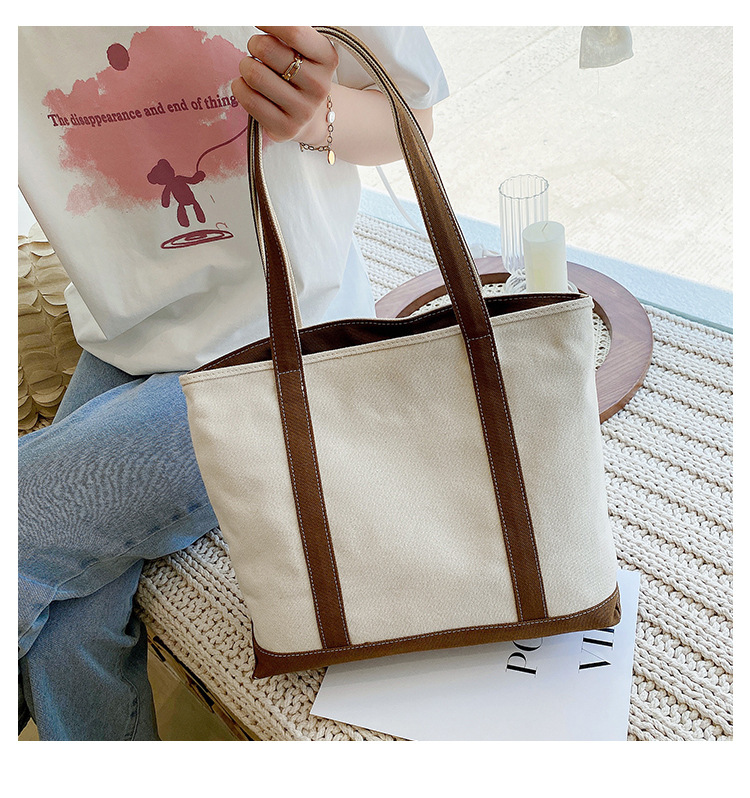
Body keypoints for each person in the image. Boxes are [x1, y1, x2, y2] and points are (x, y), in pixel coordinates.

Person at [18, 25, 449, 740]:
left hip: (285, 340)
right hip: (119, 338)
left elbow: (413, 119)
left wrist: (318, 116)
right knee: (67, 636)